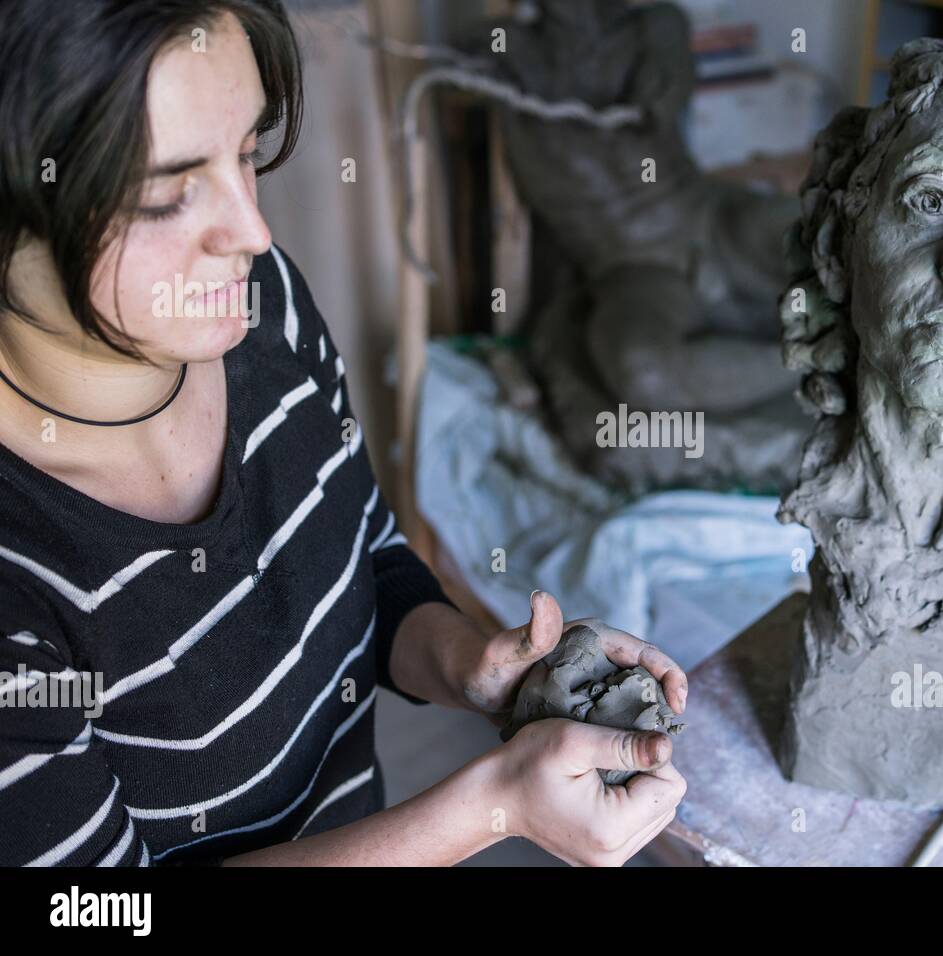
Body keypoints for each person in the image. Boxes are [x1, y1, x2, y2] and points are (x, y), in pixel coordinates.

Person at [0, 0, 686, 867]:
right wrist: (496, 808)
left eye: (246, 153)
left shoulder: (261, 308)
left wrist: (473, 665)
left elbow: (366, 555)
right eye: (166, 195)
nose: (253, 231)